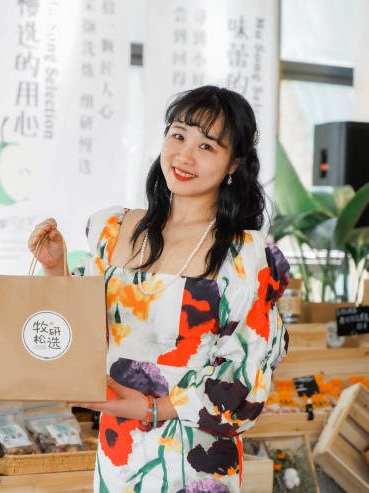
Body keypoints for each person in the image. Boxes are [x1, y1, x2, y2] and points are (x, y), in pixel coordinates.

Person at [27, 85, 289, 493]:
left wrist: (152, 408)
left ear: (234, 163)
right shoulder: (115, 230)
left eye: (207, 146)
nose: (185, 155)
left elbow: (245, 379)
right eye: (178, 135)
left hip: (196, 457)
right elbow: (77, 328)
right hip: (118, 452)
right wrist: (53, 266)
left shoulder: (247, 257)